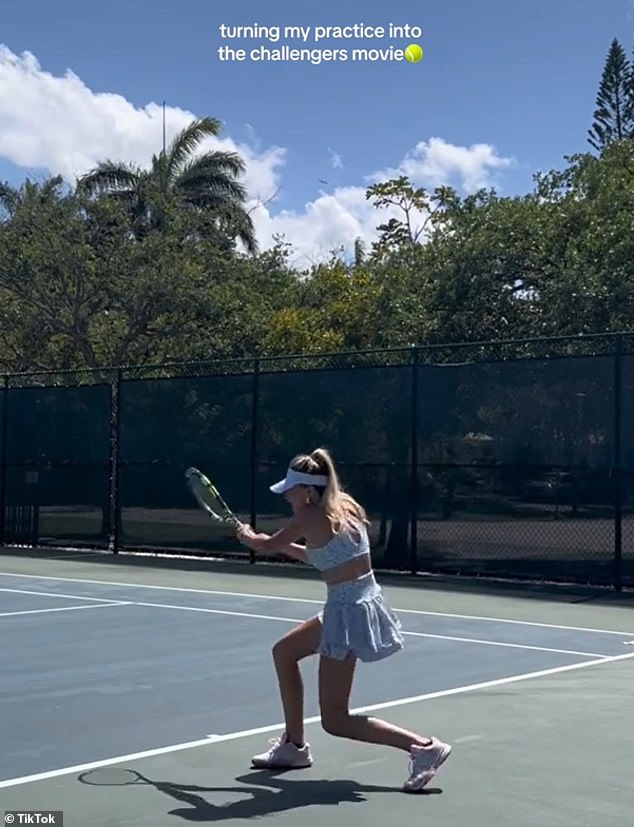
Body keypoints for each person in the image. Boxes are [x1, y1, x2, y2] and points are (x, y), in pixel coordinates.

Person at [235, 447, 452, 793]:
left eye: (291, 490)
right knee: (284, 652)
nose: (287, 497)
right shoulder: (344, 507)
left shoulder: (306, 517)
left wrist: (251, 538)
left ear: (308, 492)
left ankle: (424, 748)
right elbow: (324, 558)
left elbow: (267, 545)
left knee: (335, 720)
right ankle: (293, 746)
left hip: (346, 614)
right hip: (358, 604)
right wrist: (270, 544)